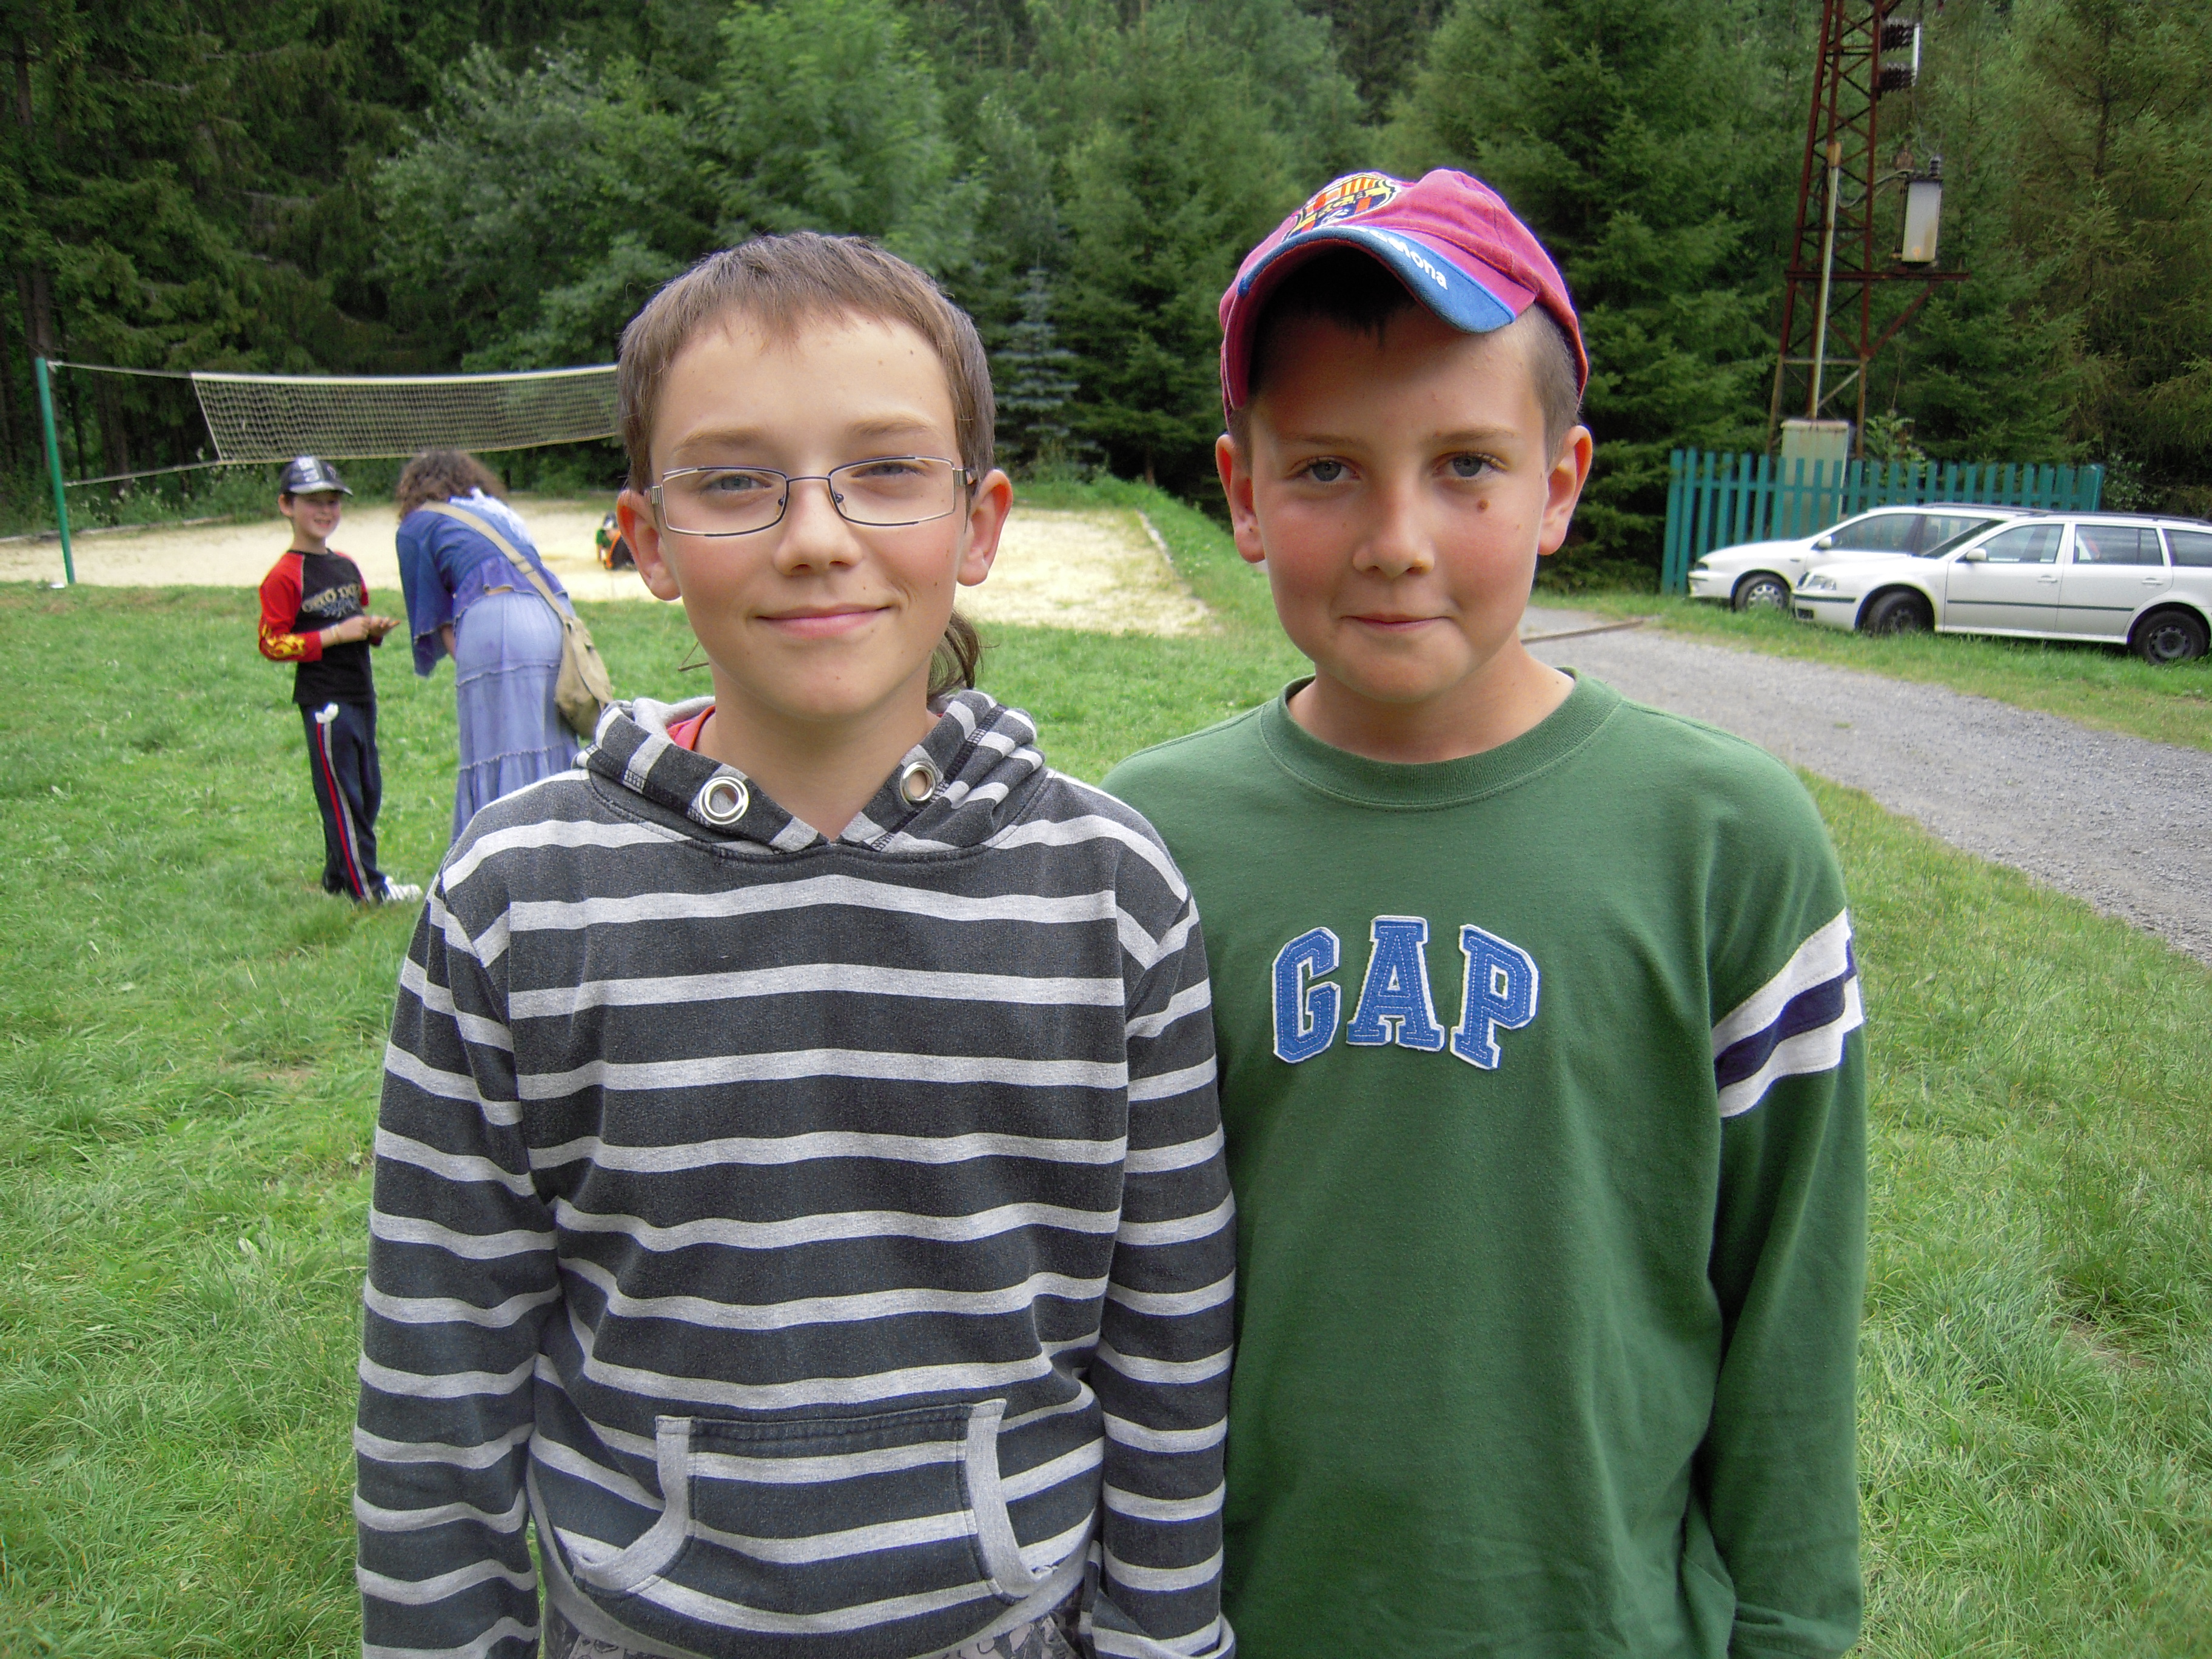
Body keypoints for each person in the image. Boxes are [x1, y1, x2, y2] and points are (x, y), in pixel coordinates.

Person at [357, 233, 1237, 1659]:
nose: (815, 534)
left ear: (979, 523)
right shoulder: (514, 901)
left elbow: (1171, 1347)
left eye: (885, 471)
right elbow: (434, 1369)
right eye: (732, 481)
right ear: (645, 539)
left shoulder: (1110, 893)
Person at [1105, 170, 1867, 1659]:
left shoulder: (1728, 844)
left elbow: (1793, 1303)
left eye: (1467, 465)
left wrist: (1792, 1630)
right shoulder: (1148, 844)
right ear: (1242, 492)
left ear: (1560, 483)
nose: (1397, 537)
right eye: (1327, 470)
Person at [253, 455, 420, 906]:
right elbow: (271, 642)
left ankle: (337, 877)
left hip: (360, 691)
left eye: (332, 502)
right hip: (325, 699)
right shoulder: (285, 575)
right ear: (287, 506)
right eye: (313, 502)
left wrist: (372, 631)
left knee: (367, 790)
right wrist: (333, 636)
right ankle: (369, 890)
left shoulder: (345, 565)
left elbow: (353, 620)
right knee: (344, 797)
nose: (325, 511)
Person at [394, 451, 581, 840]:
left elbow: (436, 620)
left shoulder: (417, 525)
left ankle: (502, 854)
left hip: (495, 623)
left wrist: (472, 664)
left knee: (498, 747)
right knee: (548, 744)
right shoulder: (496, 511)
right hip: (552, 620)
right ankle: (560, 847)